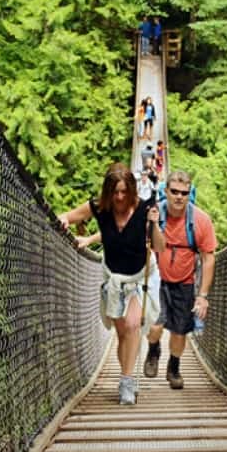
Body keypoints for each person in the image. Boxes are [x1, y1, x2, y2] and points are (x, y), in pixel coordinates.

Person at [59, 163, 165, 404]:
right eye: (115, 192)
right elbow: (69, 215)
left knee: (132, 325)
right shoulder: (100, 208)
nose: (119, 197)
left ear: (131, 190)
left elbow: (159, 247)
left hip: (139, 276)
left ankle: (126, 382)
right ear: (108, 192)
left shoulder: (145, 208)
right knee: (122, 335)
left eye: (124, 191)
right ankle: (126, 374)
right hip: (113, 279)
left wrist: (155, 224)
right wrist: (64, 220)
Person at [143, 170, 216, 389]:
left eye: (184, 193)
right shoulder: (154, 214)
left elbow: (208, 258)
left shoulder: (200, 220)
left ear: (189, 194)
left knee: (179, 332)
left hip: (184, 282)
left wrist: (202, 296)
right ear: (166, 192)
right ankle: (153, 349)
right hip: (157, 279)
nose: (179, 197)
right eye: (174, 191)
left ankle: (173, 366)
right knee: (155, 326)